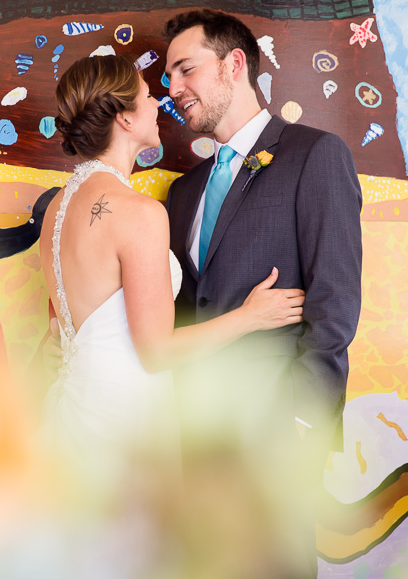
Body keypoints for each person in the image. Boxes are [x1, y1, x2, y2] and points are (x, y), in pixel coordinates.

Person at [162, 9, 363, 577]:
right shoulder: (182, 192)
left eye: (185, 70)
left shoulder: (315, 156)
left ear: (233, 65)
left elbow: (336, 303)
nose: (174, 90)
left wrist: (302, 426)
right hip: (194, 441)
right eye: (169, 78)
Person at [36, 54, 306, 473]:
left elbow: (57, 329)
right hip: (122, 420)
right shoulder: (139, 213)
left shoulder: (57, 208)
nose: (158, 103)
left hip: (74, 409)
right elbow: (157, 352)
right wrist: (250, 317)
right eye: (146, 97)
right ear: (124, 120)